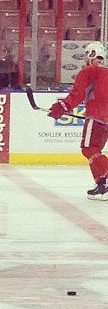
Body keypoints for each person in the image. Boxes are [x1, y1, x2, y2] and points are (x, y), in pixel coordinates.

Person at [47, 41, 108, 200]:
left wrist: (62, 106)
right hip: (105, 118)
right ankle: (102, 185)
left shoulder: (89, 70)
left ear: (91, 55)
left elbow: (78, 94)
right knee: (95, 151)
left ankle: (106, 179)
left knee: (88, 147)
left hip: (97, 116)